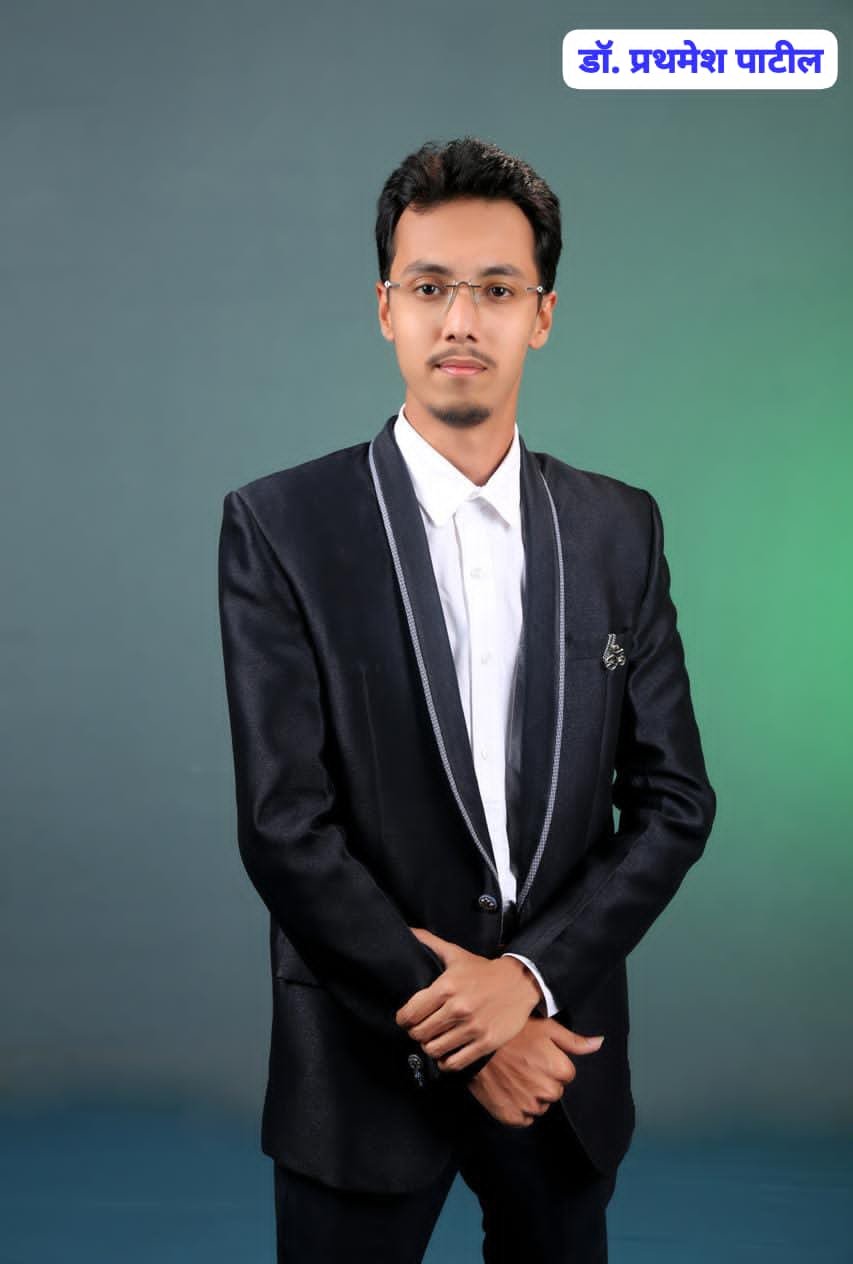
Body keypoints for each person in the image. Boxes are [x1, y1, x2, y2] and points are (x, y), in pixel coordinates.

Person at [217, 136, 716, 1263]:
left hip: (559, 1061)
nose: (460, 320)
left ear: (542, 315)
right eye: (429, 286)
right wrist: (477, 1027)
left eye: (496, 289)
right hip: (363, 1063)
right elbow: (283, 826)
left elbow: (674, 800)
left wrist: (529, 983)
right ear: (384, 308)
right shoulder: (281, 525)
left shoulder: (619, 528)